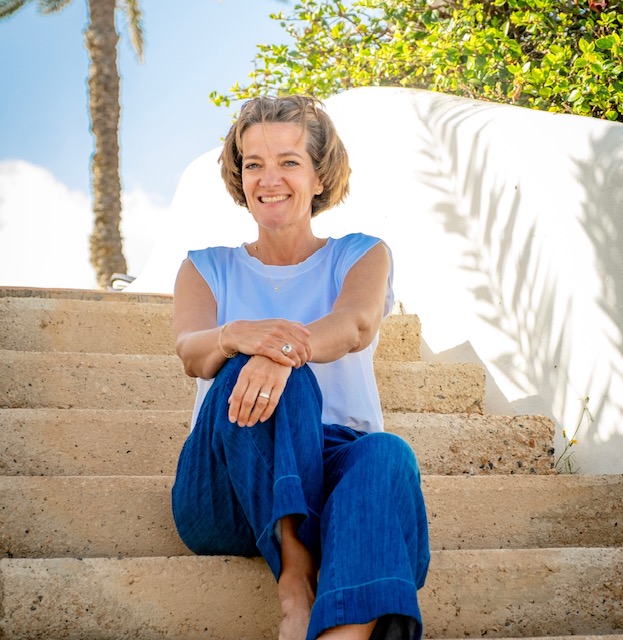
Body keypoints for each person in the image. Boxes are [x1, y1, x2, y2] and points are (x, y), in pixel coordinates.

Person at [171, 95, 429, 640]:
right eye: (254, 164)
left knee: (387, 453)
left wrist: (281, 351)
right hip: (228, 486)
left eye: (288, 161)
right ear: (240, 177)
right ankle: (296, 575)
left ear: (319, 176)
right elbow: (192, 352)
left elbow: (356, 324)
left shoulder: (360, 254)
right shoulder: (205, 267)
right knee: (251, 364)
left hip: (335, 476)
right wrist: (236, 337)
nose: (269, 179)